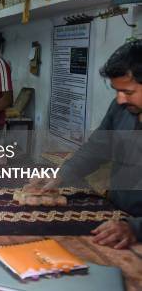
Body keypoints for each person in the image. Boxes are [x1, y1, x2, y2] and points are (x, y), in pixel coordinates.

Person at [29, 39, 142, 249]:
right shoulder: (121, 109)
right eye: (116, 91)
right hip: (117, 215)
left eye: (127, 92)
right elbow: (97, 148)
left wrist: (135, 228)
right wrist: (62, 175)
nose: (119, 100)